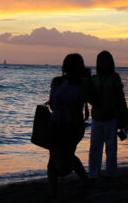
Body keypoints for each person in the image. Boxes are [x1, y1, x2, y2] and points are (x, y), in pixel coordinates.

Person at [47, 53, 90, 197]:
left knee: (67, 156)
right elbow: (53, 104)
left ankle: (83, 181)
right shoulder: (58, 82)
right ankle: (55, 191)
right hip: (58, 124)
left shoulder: (82, 84)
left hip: (72, 126)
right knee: (57, 157)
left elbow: (83, 102)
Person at [88, 51, 125, 180]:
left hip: (111, 117)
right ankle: (93, 174)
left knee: (111, 148)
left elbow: (120, 97)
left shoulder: (114, 78)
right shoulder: (94, 79)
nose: (102, 63)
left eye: (104, 61)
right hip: (97, 117)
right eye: (100, 61)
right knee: (94, 148)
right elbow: (89, 97)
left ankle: (111, 173)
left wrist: (122, 114)